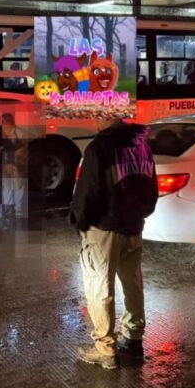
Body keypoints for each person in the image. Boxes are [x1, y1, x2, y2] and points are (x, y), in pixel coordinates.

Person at [69, 118, 158, 370]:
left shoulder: (99, 148)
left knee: (99, 288)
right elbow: (152, 189)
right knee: (133, 284)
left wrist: (79, 221)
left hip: (104, 229)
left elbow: (87, 192)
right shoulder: (141, 145)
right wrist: (138, 214)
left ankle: (105, 349)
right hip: (134, 227)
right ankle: (134, 341)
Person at [0, 112, 27, 229]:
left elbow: (24, 148)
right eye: (3, 121)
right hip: (4, 165)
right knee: (7, 188)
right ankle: (9, 212)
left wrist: (15, 158)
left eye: (5, 121)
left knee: (18, 187)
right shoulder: (0, 133)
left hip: (16, 165)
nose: (4, 123)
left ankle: (18, 212)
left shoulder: (18, 132)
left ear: (10, 121)